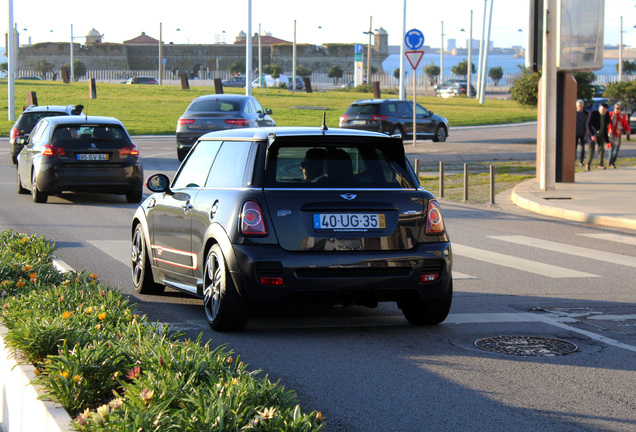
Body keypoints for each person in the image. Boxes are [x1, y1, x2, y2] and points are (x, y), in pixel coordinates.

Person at [585, 103, 611, 171]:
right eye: (602, 110)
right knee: (591, 150)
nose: (604, 112)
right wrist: (592, 135)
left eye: (605, 110)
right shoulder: (593, 113)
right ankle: (588, 164)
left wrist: (607, 140)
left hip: (601, 135)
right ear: (599, 108)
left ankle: (600, 165)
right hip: (592, 134)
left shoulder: (607, 115)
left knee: (601, 149)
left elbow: (606, 127)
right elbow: (588, 124)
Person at [608, 102, 631, 169]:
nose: (616, 109)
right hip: (611, 133)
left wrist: (627, 130)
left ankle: (613, 160)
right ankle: (610, 161)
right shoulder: (610, 114)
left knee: (616, 149)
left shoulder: (622, 116)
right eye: (615, 108)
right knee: (611, 148)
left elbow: (625, 124)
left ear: (620, 109)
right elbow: (607, 122)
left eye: (618, 108)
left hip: (618, 134)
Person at [575, 99, 588, 166]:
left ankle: (581, 161)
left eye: (581, 105)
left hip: (583, 133)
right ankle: (573, 160)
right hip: (575, 133)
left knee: (582, 148)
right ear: (576, 106)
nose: (580, 106)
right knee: (574, 147)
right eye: (579, 105)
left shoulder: (585, 113)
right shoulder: (573, 113)